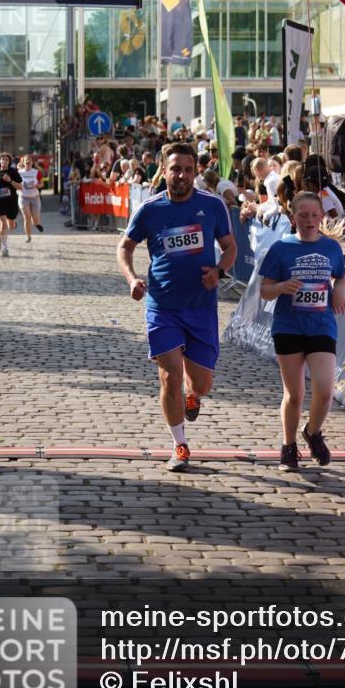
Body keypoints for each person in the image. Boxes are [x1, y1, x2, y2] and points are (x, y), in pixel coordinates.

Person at [117, 143, 237, 472]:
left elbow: (230, 247)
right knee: (169, 375)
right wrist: (131, 278)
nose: (181, 175)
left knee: (201, 383)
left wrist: (219, 272)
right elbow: (125, 247)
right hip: (163, 305)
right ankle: (179, 444)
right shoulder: (150, 209)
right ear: (164, 169)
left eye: (187, 169)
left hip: (200, 307)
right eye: (175, 169)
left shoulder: (212, 206)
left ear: (195, 171)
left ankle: (193, 393)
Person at [259, 191, 345, 471]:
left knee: (325, 389)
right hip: (289, 325)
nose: (309, 220)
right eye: (303, 215)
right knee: (294, 393)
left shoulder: (331, 248)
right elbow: (264, 290)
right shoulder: (281, 249)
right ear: (292, 217)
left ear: (322, 216)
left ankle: (313, 432)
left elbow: (341, 275)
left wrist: (339, 293)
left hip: (322, 325)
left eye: (314, 215)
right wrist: (281, 288)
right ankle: (288, 446)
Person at [0, 153, 22, 257]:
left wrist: (10, 180)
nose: (4, 161)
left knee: (10, 226)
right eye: (2, 160)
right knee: (2, 222)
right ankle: (5, 248)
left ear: (9, 162)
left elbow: (20, 187)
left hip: (11, 202)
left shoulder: (13, 172)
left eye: (6, 160)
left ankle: (14, 224)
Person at [17, 155, 44, 243]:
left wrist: (37, 185)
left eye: (29, 160)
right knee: (27, 218)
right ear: (23, 162)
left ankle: (36, 224)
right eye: (26, 160)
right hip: (23, 197)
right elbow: (15, 184)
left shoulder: (36, 172)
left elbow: (42, 184)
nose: (28, 161)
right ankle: (28, 236)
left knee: (35, 218)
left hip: (35, 198)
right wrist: (18, 187)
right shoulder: (19, 173)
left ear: (32, 163)